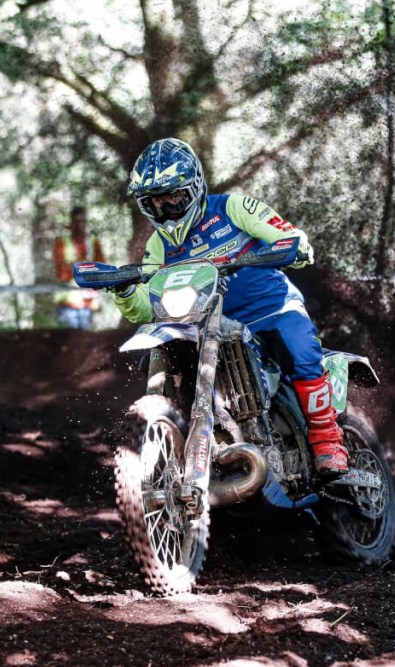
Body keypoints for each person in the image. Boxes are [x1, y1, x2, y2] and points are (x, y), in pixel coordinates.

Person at [111, 138, 349, 477]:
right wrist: (123, 291)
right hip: (205, 323)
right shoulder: (158, 244)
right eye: (155, 203)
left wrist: (294, 244)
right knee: (166, 355)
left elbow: (281, 230)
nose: (166, 210)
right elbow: (146, 306)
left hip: (271, 308)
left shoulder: (232, 208)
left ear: (194, 188)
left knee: (300, 350)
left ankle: (328, 441)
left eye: (173, 198)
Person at [53, 206, 105, 330]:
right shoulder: (61, 242)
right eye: (76, 221)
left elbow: (102, 269)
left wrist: (77, 267)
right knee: (70, 338)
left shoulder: (93, 241)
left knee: (86, 338)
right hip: (67, 304)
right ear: (70, 223)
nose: (80, 224)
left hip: (88, 303)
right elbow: (62, 273)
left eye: (83, 221)